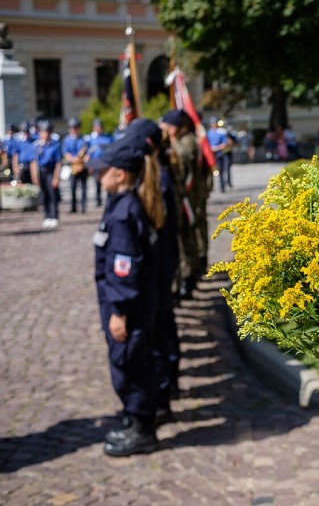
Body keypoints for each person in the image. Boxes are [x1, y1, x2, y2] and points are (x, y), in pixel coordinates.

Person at [87, 133, 164, 456]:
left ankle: (143, 428)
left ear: (120, 174)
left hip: (127, 305)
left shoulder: (123, 212)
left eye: (101, 170)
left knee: (129, 365)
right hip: (130, 302)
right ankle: (135, 419)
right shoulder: (121, 204)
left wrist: (118, 312)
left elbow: (123, 268)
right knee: (130, 363)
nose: (96, 174)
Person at [127, 118, 182, 417]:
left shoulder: (157, 177)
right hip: (159, 264)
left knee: (159, 331)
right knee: (160, 327)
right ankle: (164, 386)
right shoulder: (151, 172)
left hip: (160, 264)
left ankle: (163, 391)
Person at [161, 109, 205, 300]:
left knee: (185, 238)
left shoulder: (185, 143)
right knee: (187, 236)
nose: (167, 131)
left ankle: (187, 279)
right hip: (186, 196)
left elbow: (180, 165)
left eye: (169, 127)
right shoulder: (184, 140)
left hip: (185, 197)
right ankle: (189, 275)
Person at [34, 120, 62, 228]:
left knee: (52, 195)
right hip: (41, 171)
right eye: (42, 132)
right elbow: (34, 162)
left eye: (46, 132)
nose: (44, 134)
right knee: (44, 195)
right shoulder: (37, 145)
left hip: (51, 171)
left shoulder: (55, 145)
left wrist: (56, 177)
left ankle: (54, 216)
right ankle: (46, 216)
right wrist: (35, 176)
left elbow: (58, 163)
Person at [62, 118, 90, 213]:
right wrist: (74, 159)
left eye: (76, 128)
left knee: (83, 187)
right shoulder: (67, 140)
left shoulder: (84, 139)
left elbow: (87, 153)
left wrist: (84, 158)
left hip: (82, 166)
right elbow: (66, 153)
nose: (74, 130)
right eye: (72, 128)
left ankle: (83, 206)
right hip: (73, 166)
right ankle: (73, 207)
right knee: (72, 187)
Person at [86, 119, 113, 207]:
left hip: (106, 163)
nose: (99, 128)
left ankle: (109, 199)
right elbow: (87, 153)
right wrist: (89, 165)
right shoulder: (90, 139)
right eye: (97, 127)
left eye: (100, 127)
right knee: (97, 182)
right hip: (96, 163)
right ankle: (98, 200)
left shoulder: (108, 137)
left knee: (108, 180)